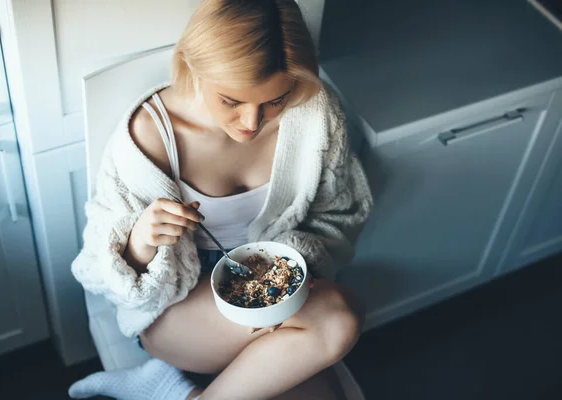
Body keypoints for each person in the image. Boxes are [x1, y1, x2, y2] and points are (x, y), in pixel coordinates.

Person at [68, 0, 372, 399]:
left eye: (274, 101)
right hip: (180, 311)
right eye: (232, 101)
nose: (251, 123)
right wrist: (142, 240)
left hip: (275, 285)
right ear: (193, 68)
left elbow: (340, 214)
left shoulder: (314, 114)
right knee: (337, 317)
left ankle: (168, 390)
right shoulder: (149, 136)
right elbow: (97, 267)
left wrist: (284, 269)